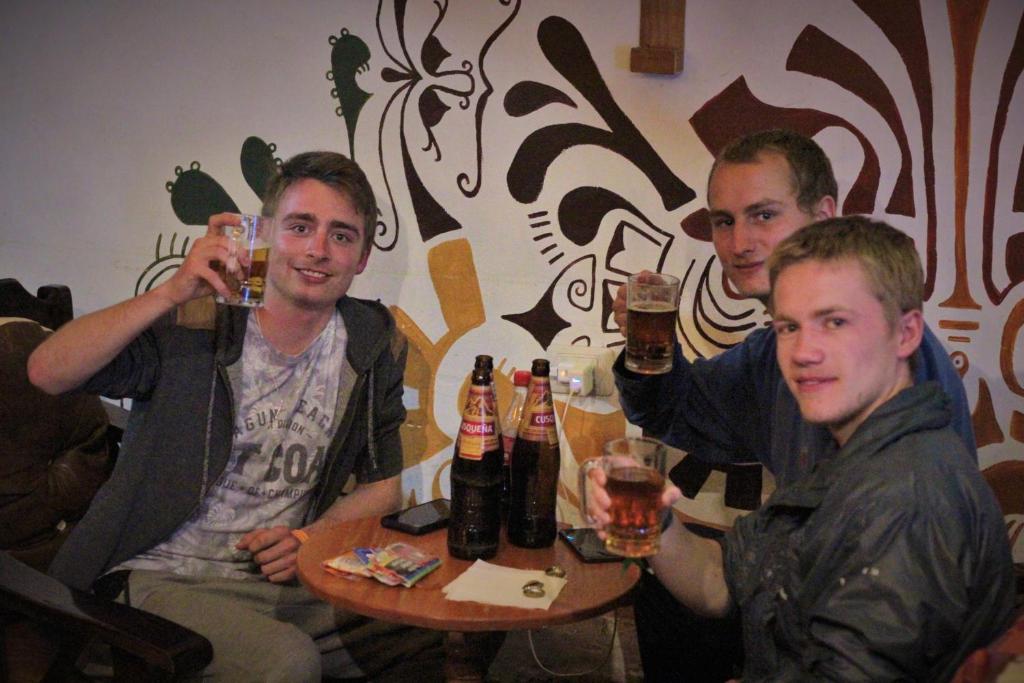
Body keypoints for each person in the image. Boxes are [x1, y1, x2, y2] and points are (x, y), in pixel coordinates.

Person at [28, 151, 442, 681]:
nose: (318, 250)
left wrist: (309, 540)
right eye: (300, 227)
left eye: (342, 235)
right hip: (154, 576)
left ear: (362, 257)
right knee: (287, 662)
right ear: (265, 233)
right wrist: (172, 290)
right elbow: (46, 372)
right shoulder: (198, 318)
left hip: (277, 580)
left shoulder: (371, 339)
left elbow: (383, 486)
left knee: (447, 624)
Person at [611, 130, 977, 681]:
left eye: (763, 215)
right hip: (804, 583)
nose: (739, 243)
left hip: (865, 622)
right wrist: (650, 351)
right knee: (665, 590)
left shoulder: (907, 456)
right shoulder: (767, 355)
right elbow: (676, 411)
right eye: (724, 221)